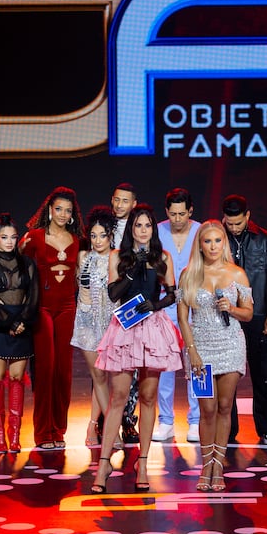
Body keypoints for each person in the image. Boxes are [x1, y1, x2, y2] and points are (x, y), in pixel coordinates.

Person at [92, 203, 183, 493]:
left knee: (148, 396)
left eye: (147, 226)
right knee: (118, 396)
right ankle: (104, 463)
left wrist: (156, 304)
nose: (143, 231)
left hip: (152, 328)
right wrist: (132, 271)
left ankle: (142, 463)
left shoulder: (162, 257)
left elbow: (172, 294)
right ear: (131, 229)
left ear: (153, 229)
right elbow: (112, 294)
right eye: (138, 226)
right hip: (125, 327)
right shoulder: (118, 256)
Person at [178, 220, 252, 492]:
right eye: (207, 241)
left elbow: (248, 313)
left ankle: (218, 466)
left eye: (217, 241)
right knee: (206, 410)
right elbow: (183, 319)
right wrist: (192, 352)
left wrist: (231, 307)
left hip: (230, 345)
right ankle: (205, 464)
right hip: (200, 349)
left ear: (224, 243)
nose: (212, 246)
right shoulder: (189, 275)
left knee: (224, 406)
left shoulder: (237, 274)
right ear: (200, 245)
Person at [221, 194, 267, 444]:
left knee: (266, 372)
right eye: (230, 223)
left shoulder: (265, 241)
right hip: (226, 317)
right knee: (227, 374)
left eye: (238, 223)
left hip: (259, 316)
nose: (234, 228)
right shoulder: (217, 239)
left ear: (248, 216)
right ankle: (227, 429)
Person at [20, 186, 82, 450]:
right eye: (58, 209)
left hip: (68, 307)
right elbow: (17, 267)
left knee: (63, 371)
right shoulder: (34, 237)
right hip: (42, 308)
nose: (63, 214)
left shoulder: (77, 240)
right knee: (46, 368)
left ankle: (58, 429)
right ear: (49, 210)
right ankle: (43, 432)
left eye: (67, 210)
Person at [0, 213, 40, 453]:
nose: (9, 242)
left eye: (13, 237)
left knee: (17, 379)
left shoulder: (28, 264)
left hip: (22, 325)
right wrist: (9, 323)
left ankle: (14, 436)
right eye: (4, 237)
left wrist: (22, 321)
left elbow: (34, 297)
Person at [154, 187, 202, 443]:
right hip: (167, 304)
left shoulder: (201, 231)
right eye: (172, 214)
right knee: (165, 366)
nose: (177, 219)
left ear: (190, 211)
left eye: (182, 214)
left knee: (197, 363)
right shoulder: (158, 231)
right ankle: (166, 421)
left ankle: (196, 421)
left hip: (196, 306)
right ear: (166, 212)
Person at [70, 206, 120, 448]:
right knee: (98, 376)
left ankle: (96, 425)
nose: (98, 240)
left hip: (112, 324)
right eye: (93, 235)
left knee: (111, 379)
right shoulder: (83, 257)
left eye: (103, 235)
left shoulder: (117, 257)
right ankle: (110, 430)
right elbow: (79, 288)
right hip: (87, 323)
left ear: (111, 235)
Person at [108, 182, 142, 444]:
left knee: (133, 369)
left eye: (125, 200)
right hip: (105, 302)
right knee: (105, 367)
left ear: (134, 204)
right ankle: (103, 420)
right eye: (117, 199)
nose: (120, 205)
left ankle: (129, 422)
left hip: (131, 304)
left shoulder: (139, 228)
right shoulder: (103, 227)